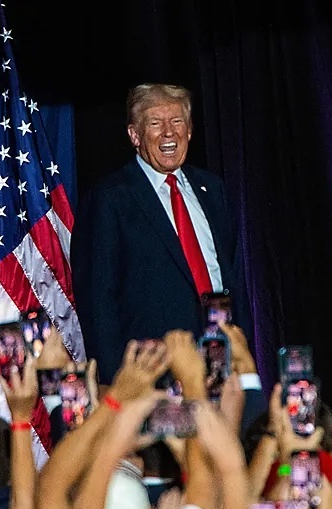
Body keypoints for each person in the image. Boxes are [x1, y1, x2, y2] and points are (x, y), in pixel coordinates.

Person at [70, 82, 253, 384]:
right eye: (156, 123)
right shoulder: (110, 199)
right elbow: (98, 301)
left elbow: (234, 280)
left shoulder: (213, 190)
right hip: (156, 374)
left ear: (190, 130)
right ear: (135, 135)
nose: (169, 133)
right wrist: (121, 386)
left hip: (224, 367)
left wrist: (245, 363)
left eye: (177, 121)